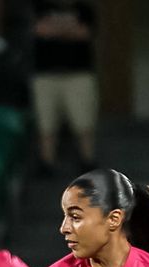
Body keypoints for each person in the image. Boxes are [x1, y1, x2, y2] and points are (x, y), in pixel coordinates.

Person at [32, 0, 98, 175]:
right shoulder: (40, 7)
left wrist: (55, 30)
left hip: (78, 74)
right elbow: (40, 30)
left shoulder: (84, 9)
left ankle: (87, 160)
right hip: (46, 75)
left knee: (83, 120)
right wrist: (68, 30)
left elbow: (84, 33)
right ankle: (46, 163)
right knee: (46, 123)